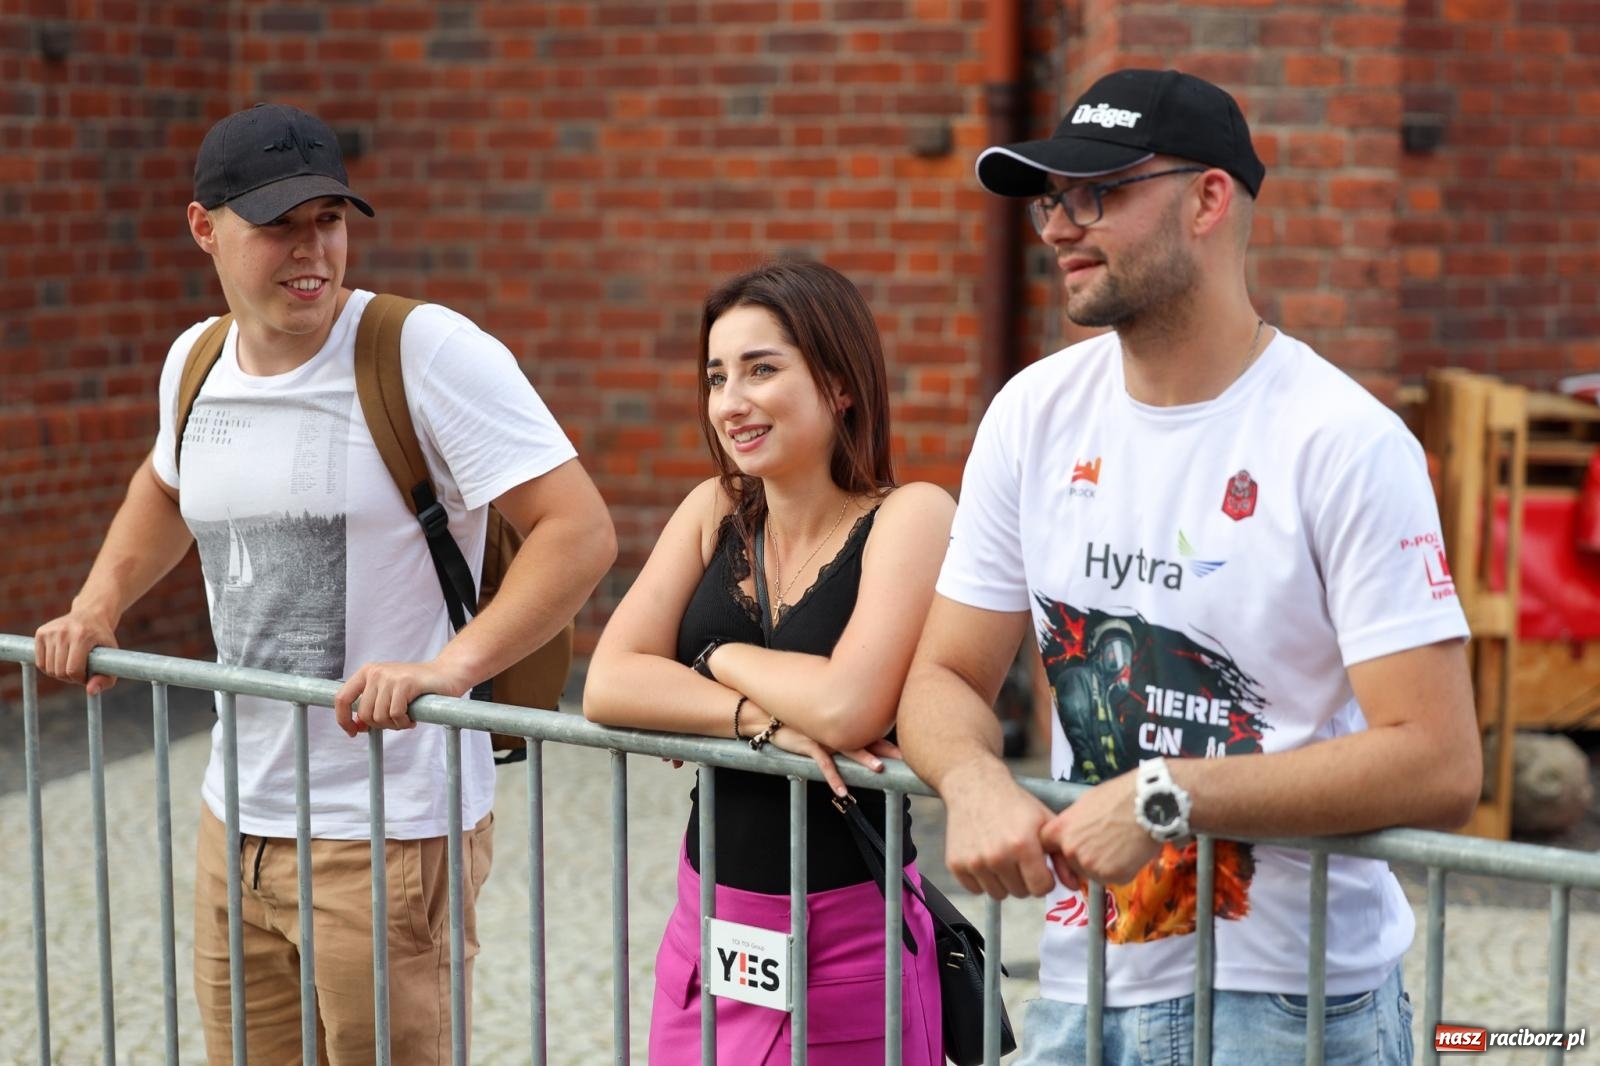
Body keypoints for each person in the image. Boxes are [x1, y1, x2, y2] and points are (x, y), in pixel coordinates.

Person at [897, 68, 1481, 1065]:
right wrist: (972, 778)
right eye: (1051, 199)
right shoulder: (1032, 415)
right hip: (1080, 990)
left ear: (1209, 199)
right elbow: (944, 672)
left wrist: (1164, 795)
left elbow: (1438, 760)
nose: (1057, 227)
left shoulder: (1342, 441)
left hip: (1291, 1009)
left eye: (1097, 194)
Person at [33, 102, 616, 1065]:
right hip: (237, 820)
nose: (312, 250)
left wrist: (451, 669)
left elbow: (579, 530)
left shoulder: (424, 351)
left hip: (389, 832)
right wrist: (99, 602)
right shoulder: (195, 361)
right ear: (204, 227)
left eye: (330, 220)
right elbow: (164, 488)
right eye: (279, 225)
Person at [583, 260, 954, 1063]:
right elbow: (608, 683)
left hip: (851, 936)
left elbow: (848, 707)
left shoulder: (911, 516)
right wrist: (763, 721)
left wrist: (714, 657)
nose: (730, 402)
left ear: (839, 383)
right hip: (709, 923)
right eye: (717, 377)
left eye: (761, 369)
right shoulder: (713, 507)